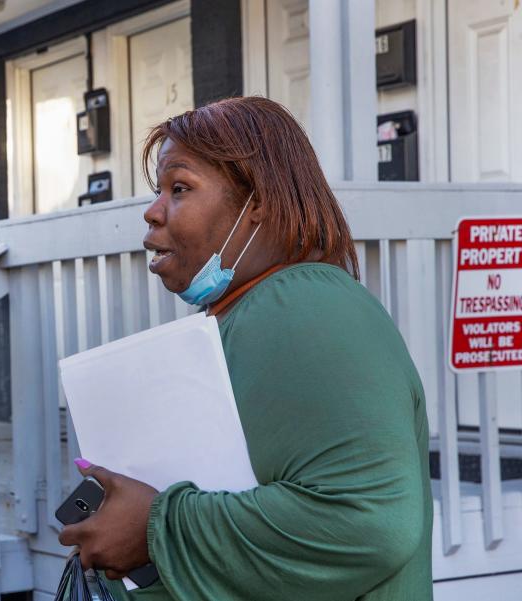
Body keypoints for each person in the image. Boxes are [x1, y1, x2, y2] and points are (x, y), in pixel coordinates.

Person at [59, 96, 432, 600]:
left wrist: (155, 529)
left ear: (257, 201)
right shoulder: (249, 311)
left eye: (180, 188)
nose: (151, 211)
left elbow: (369, 521)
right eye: (158, 190)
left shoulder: (309, 306)